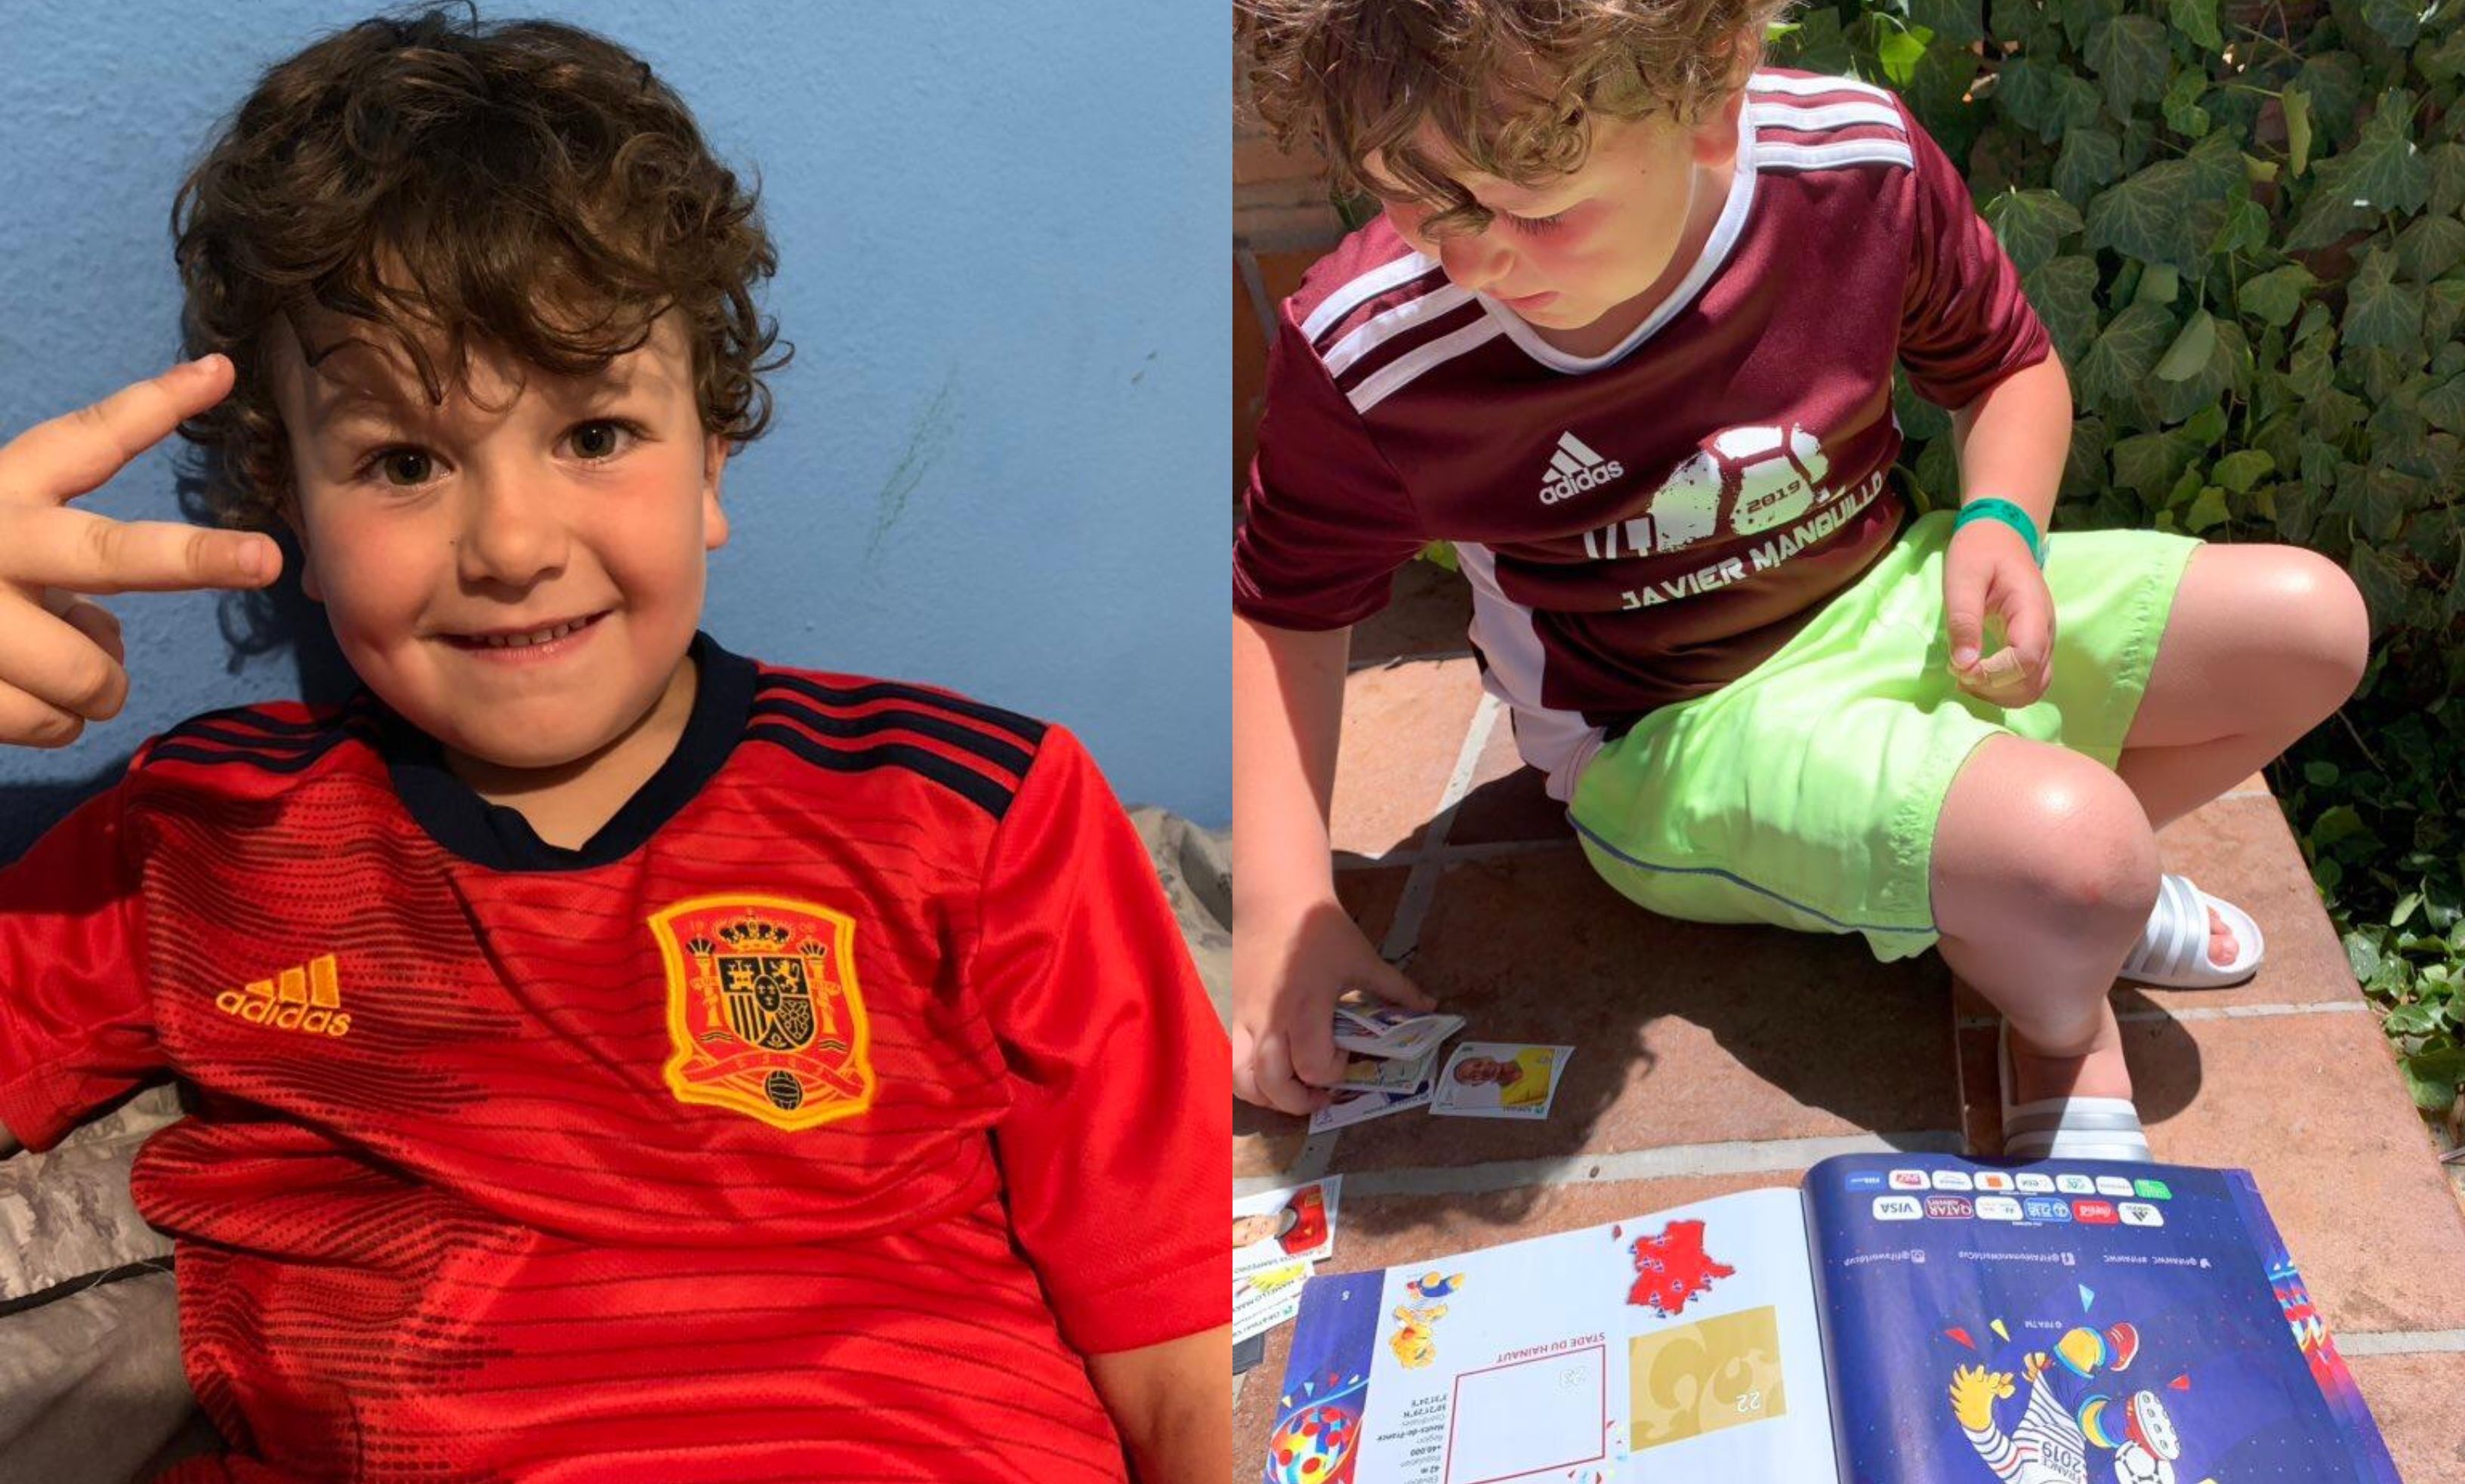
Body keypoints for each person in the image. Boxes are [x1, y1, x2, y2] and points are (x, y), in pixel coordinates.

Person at [0, 11, 1224, 1479]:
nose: (513, 544)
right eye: (404, 461)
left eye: (593, 435)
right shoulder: (202, 833)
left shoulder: (978, 809)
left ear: (712, 454)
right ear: (293, 507)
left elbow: (1180, 1347)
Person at [1228, 0, 2368, 1162]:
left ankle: (2024, 889)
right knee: (2083, 858)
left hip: (1891, 592)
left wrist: (2001, 520)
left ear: (1713, 91)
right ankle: (2052, 1001)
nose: (1468, 261)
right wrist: (1286, 908)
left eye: (1537, 209)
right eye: (1417, 202)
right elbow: (1283, 606)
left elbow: (2005, 366)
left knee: (2310, 629)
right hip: (1665, 730)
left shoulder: (1853, 164)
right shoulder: (1373, 351)